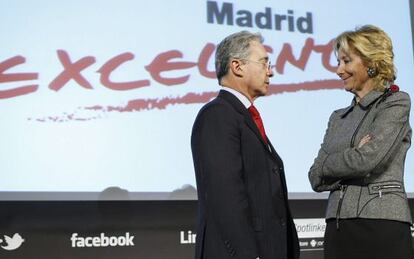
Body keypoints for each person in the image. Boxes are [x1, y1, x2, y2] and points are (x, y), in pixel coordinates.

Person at [191, 31, 299, 259]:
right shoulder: (217, 115)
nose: (270, 71)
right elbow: (225, 196)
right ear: (237, 66)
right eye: (264, 63)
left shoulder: (242, 116)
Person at [308, 25, 413, 259]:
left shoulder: (395, 103)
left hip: (381, 227)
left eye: (346, 61)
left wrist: (330, 163)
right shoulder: (338, 117)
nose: (338, 70)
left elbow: (367, 160)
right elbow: (315, 176)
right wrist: (353, 153)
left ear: (371, 63)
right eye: (338, 62)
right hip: (338, 229)